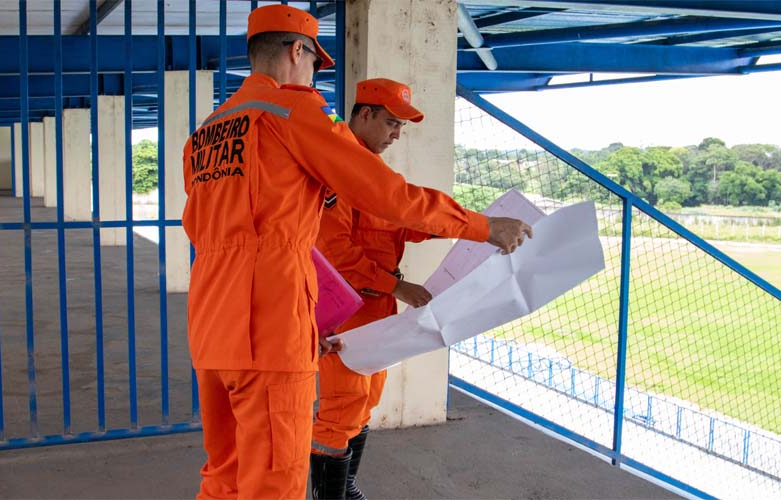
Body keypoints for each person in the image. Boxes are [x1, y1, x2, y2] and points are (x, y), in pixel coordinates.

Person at [180, 5, 532, 499]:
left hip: (211, 324)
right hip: (268, 327)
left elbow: (205, 230)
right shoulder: (293, 109)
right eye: (314, 62)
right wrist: (480, 226)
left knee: (225, 475)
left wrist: (307, 320)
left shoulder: (206, 134)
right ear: (297, 50)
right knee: (273, 482)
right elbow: (386, 195)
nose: (314, 72)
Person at [310, 78, 438, 500]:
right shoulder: (338, 169)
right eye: (391, 122)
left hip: (378, 308)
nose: (397, 134)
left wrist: (463, 227)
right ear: (364, 114)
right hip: (347, 311)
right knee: (341, 407)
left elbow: (398, 223)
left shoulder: (375, 173)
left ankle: (343, 487)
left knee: (365, 401)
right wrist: (397, 287)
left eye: (402, 126)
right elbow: (337, 252)